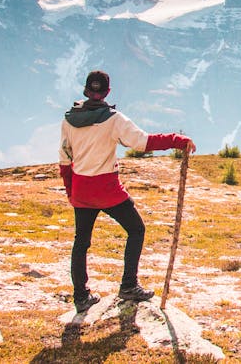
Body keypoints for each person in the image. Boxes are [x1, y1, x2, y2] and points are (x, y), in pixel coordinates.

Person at [58, 69, 196, 313]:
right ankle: (128, 286)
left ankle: (80, 296)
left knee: (81, 242)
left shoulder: (69, 120)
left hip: (81, 190)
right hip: (107, 190)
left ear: (86, 90)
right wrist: (177, 139)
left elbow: (65, 161)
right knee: (136, 229)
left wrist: (71, 192)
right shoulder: (113, 119)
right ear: (107, 92)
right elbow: (143, 142)